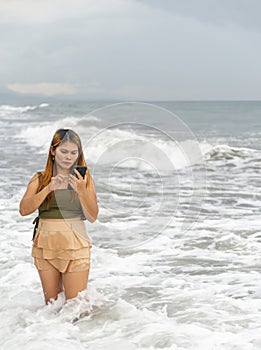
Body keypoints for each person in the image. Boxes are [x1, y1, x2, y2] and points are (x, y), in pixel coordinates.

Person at [19, 129, 99, 304]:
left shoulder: (84, 180)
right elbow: (24, 210)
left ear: (78, 154)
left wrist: (82, 191)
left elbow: (92, 216)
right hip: (45, 247)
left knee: (77, 307)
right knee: (52, 307)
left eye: (73, 152)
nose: (68, 157)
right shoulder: (40, 178)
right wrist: (48, 189)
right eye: (64, 151)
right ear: (53, 151)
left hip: (75, 246)